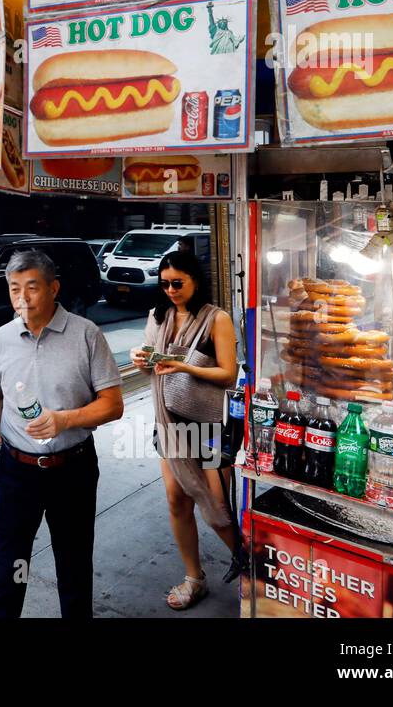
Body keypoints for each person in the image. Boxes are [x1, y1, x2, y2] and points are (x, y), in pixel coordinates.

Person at [0, 249, 124, 618]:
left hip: (71, 469)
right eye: (14, 289)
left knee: (73, 565)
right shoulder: (3, 337)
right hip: (16, 470)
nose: (22, 299)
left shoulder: (86, 334)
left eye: (32, 288)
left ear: (53, 288)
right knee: (5, 567)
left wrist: (64, 419)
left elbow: (113, 404)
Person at [130, 250, 245, 610]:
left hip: (210, 426)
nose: (170, 290)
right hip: (170, 420)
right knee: (176, 499)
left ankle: (252, 567)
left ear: (196, 279)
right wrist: (143, 361)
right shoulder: (158, 316)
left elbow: (227, 374)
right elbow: (154, 367)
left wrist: (184, 367)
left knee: (216, 505)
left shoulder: (217, 319)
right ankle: (194, 577)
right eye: (164, 284)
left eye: (177, 283)